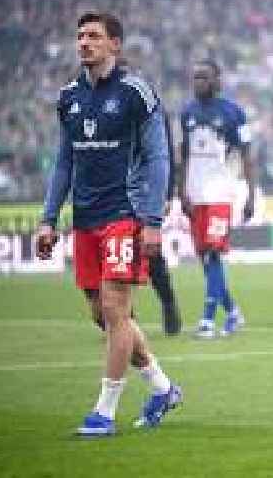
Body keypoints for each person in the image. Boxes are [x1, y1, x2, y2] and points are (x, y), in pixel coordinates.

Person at [36, 12, 182, 436]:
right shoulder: (69, 98)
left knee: (117, 309)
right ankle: (162, 388)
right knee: (101, 315)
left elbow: (158, 157)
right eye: (80, 36)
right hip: (85, 218)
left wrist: (152, 220)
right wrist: (48, 218)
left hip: (125, 213)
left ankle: (104, 412)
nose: (84, 42)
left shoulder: (136, 92)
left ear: (115, 44)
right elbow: (65, 162)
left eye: (94, 36)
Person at [178, 60, 253, 339]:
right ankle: (232, 312)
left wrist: (251, 195)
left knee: (212, 252)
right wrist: (180, 191)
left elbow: (247, 156)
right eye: (196, 77)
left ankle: (207, 321)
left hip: (221, 193)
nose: (199, 82)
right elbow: (184, 155)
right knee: (206, 259)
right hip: (195, 195)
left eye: (204, 77)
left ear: (217, 81)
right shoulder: (187, 113)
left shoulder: (234, 113)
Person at [117, 55, 182, 335]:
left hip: (144, 190)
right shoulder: (98, 105)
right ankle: (123, 319)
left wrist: (166, 193)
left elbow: (164, 153)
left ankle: (168, 303)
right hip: (111, 192)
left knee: (151, 254)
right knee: (115, 256)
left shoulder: (149, 104)